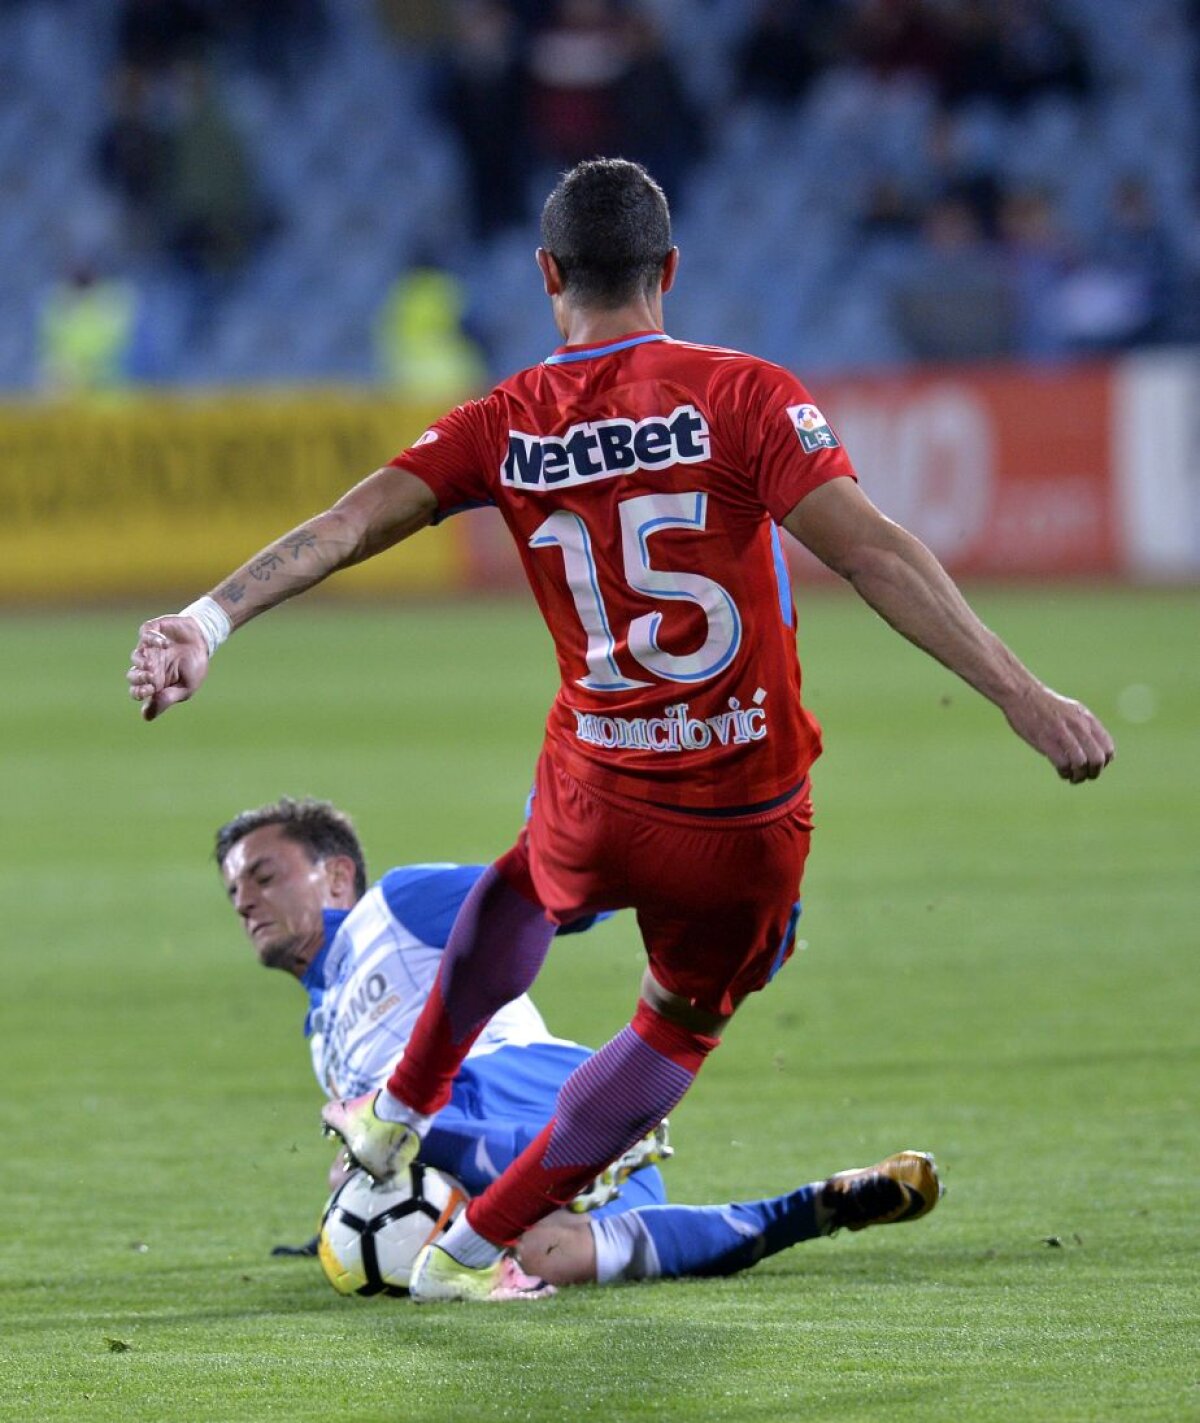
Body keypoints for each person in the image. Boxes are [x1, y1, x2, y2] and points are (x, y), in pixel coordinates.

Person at [128, 157, 1113, 1304]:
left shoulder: (505, 419)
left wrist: (209, 619)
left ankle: (397, 1107)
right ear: (670, 270)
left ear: (546, 274)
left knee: (527, 882)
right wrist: (1021, 695)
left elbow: (348, 527)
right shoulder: (746, 395)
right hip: (743, 813)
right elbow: (873, 552)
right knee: (674, 1029)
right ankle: (469, 1245)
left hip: (601, 784)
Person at [219, 795, 942, 1292]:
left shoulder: (395, 907)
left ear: (338, 873)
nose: (246, 900)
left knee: (377, 1125)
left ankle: (578, 1152)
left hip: (526, 1088)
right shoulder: (321, 1024)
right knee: (545, 1254)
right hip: (531, 1169)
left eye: (264, 874)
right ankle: (816, 1206)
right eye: (234, 891)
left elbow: (557, 901)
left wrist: (714, 901)